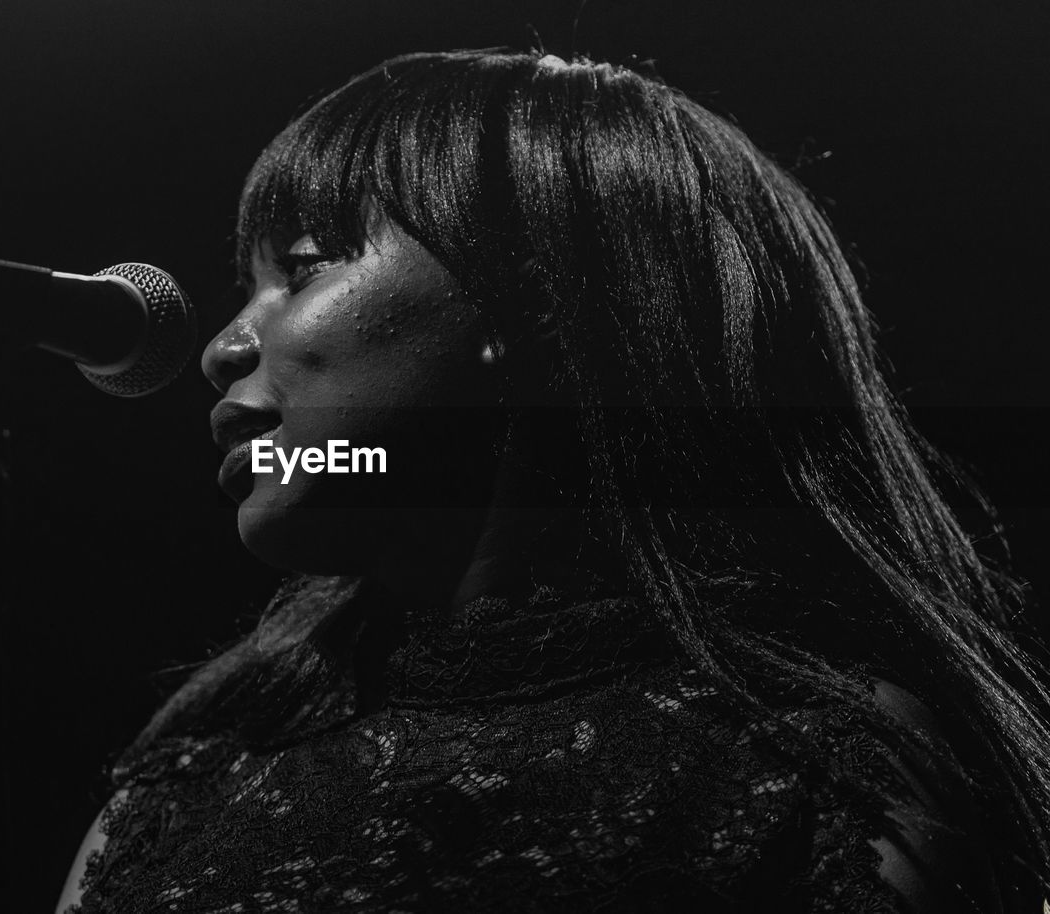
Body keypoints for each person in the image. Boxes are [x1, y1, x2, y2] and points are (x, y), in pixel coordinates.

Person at [58, 48, 1050, 912]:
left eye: (304, 265)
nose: (225, 345)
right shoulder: (182, 789)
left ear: (529, 301)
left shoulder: (824, 768)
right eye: (245, 285)